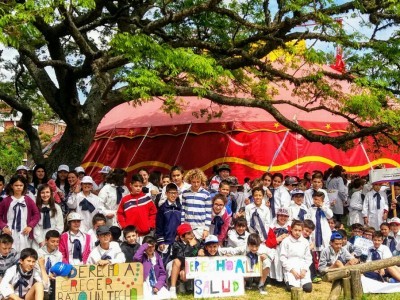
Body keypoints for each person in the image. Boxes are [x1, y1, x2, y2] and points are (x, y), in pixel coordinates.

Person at [0, 175, 40, 252]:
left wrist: (30, 226)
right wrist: (4, 227)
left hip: (24, 230)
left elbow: (37, 214)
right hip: (9, 230)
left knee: (24, 251)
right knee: (9, 250)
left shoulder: (28, 200)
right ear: (12, 186)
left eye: (21, 185)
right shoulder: (6, 201)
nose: (18, 187)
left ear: (24, 186)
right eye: (16, 185)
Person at [117, 174, 157, 242]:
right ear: (130, 185)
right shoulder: (125, 199)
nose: (138, 188)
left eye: (140, 186)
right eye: (136, 186)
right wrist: (124, 226)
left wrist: (150, 225)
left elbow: (154, 213)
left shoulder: (147, 199)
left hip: (145, 234)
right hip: (131, 236)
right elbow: (119, 214)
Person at [168, 224, 201, 299]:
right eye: (188, 233)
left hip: (189, 266)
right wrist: (190, 246)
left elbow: (202, 249)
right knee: (177, 261)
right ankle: (172, 289)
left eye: (191, 232)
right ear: (182, 237)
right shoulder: (176, 244)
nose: (192, 235)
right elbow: (181, 257)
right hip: (176, 266)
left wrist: (201, 250)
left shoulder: (197, 242)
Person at [280, 220, 313, 293]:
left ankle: (304, 281)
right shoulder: (286, 241)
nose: (297, 232)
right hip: (291, 266)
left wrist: (304, 270)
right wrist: (292, 271)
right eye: (295, 230)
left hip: (302, 265)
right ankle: (290, 282)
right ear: (291, 229)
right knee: (292, 288)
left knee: (308, 288)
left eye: (299, 230)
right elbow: (283, 258)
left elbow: (308, 258)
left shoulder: (305, 242)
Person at [181, 168, 211, 240]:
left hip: (201, 227)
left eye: (198, 182)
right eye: (193, 182)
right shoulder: (185, 193)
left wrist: (206, 229)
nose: (196, 184)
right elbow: (183, 211)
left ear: (201, 181)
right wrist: (182, 226)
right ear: (190, 181)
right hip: (188, 227)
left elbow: (208, 213)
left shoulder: (206, 194)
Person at [155, 183, 182, 262]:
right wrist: (161, 242)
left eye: (175, 193)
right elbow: (159, 227)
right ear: (166, 193)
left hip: (178, 242)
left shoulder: (180, 207)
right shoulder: (162, 209)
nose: (173, 195)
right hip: (166, 242)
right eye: (171, 193)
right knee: (165, 264)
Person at [33, 184, 64, 250]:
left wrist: (51, 240)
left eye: (47, 192)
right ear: (39, 194)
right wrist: (41, 241)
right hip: (39, 241)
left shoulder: (56, 207)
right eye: (42, 193)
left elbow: (60, 226)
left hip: (53, 241)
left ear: (51, 194)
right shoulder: (35, 208)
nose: (45, 195)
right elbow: (35, 226)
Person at [37, 230, 62, 299]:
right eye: (52, 241)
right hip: (41, 280)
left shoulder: (59, 254)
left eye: (57, 241)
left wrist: (54, 274)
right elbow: (36, 271)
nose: (55, 244)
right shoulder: (39, 253)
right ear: (46, 241)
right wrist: (47, 276)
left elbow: (58, 268)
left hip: (53, 281)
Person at [270, 208, 291, 283]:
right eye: (281, 216)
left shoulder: (290, 227)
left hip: (287, 248)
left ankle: (287, 278)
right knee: (277, 260)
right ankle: (276, 278)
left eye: (285, 216)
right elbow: (268, 241)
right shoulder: (272, 227)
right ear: (277, 216)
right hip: (276, 248)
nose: (283, 218)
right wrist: (277, 239)